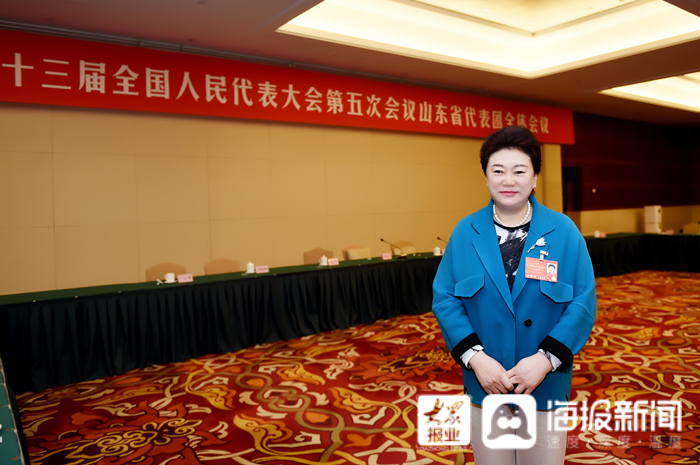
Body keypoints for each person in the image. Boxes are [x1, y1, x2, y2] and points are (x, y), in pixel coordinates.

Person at [432, 125, 596, 465]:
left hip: (545, 383)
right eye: (498, 171)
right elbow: (445, 298)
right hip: (487, 383)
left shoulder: (564, 231)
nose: (508, 180)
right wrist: (476, 358)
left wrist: (546, 360)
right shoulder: (465, 232)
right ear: (486, 177)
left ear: (535, 177)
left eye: (519, 171)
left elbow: (582, 301)